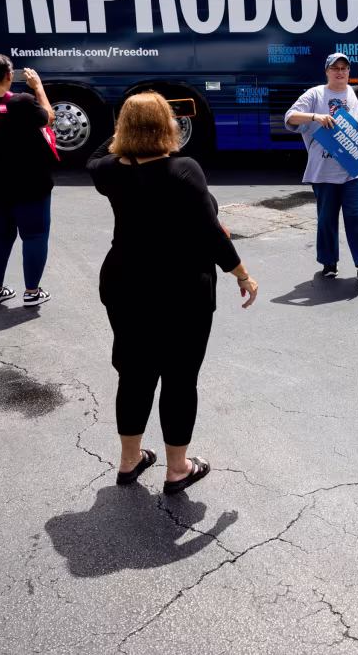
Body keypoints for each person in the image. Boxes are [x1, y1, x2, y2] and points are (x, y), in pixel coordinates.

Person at [88, 92, 258, 494]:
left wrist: (122, 130)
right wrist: (241, 274)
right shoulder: (184, 169)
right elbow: (212, 233)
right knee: (179, 379)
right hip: (182, 288)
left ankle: (130, 462)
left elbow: (97, 153)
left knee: (134, 373)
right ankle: (177, 468)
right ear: (169, 127)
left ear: (123, 129)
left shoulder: (109, 170)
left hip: (125, 282)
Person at [0, 54, 57, 307]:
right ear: (9, 76)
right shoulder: (24, 101)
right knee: (35, 235)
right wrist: (38, 87)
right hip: (29, 181)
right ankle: (32, 292)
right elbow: (48, 117)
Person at [284, 52, 358, 286]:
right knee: (326, 218)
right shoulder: (315, 94)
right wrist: (315, 116)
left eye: (344, 68)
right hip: (323, 170)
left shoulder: (357, 93)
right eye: (335, 68)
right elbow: (290, 117)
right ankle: (328, 263)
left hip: (354, 168)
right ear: (327, 71)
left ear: (349, 71)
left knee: (357, 217)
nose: (340, 72)